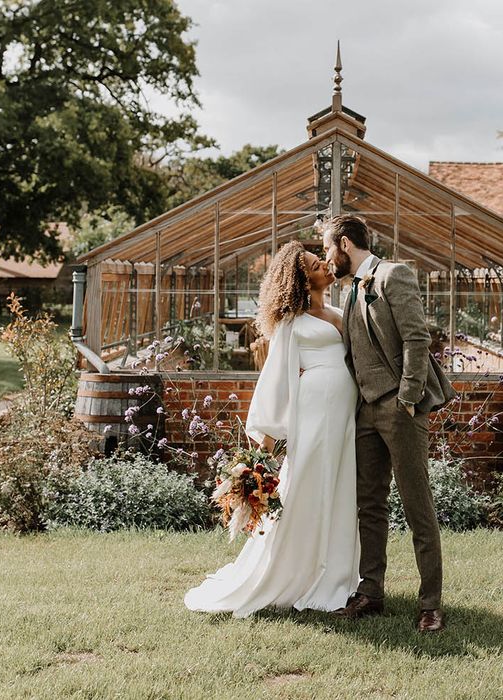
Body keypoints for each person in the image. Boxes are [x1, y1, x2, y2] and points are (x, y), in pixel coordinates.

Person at [184, 241, 359, 617]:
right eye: (316, 265)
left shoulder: (339, 309)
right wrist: (261, 444)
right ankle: (294, 572)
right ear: (301, 278)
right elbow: (274, 378)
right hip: (315, 412)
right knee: (308, 485)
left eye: (322, 260)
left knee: (340, 486)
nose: (326, 266)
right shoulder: (292, 323)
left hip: (345, 413)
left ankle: (336, 571)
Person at [323, 215, 456, 633]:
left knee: (417, 507)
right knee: (370, 505)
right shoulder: (349, 293)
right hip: (364, 412)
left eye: (328, 248)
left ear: (344, 243)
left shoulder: (392, 275)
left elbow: (418, 339)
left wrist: (407, 399)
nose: (327, 258)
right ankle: (371, 592)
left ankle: (430, 604)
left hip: (400, 411)